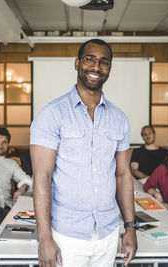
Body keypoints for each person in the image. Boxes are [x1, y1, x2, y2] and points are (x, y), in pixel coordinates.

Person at [30, 38, 137, 267]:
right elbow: (42, 178)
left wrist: (130, 226)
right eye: (90, 59)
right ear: (77, 63)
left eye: (104, 62)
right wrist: (44, 237)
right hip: (66, 234)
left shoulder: (119, 118)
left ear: (109, 68)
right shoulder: (52, 114)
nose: (96, 67)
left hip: (108, 233)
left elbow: (123, 175)